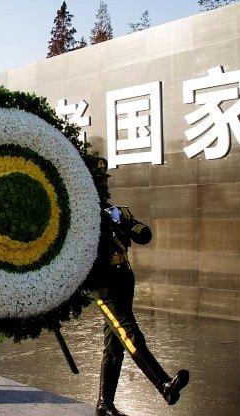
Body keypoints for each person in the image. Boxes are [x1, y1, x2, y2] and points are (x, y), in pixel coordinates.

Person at [89, 164, 189, 416]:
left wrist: (123, 221)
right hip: (103, 286)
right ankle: (163, 384)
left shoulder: (112, 212)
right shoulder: (82, 216)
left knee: (115, 345)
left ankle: (105, 404)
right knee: (129, 333)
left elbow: (143, 235)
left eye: (103, 184)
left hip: (123, 279)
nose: (102, 188)